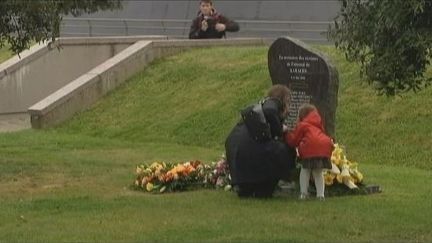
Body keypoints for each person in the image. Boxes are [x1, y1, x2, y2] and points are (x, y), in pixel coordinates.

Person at [225, 84, 296, 198]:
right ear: (283, 100)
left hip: (236, 151)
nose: (289, 109)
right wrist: (280, 129)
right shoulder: (272, 106)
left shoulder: (259, 109)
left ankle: (247, 188)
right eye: (289, 103)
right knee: (284, 150)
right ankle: (265, 187)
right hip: (250, 153)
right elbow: (270, 112)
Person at [284, 104, 333, 200]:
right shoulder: (318, 124)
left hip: (310, 149)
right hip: (323, 148)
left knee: (305, 170)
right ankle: (320, 195)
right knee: (318, 172)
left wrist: (286, 133)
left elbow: (294, 141)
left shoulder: (303, 125)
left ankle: (304, 193)